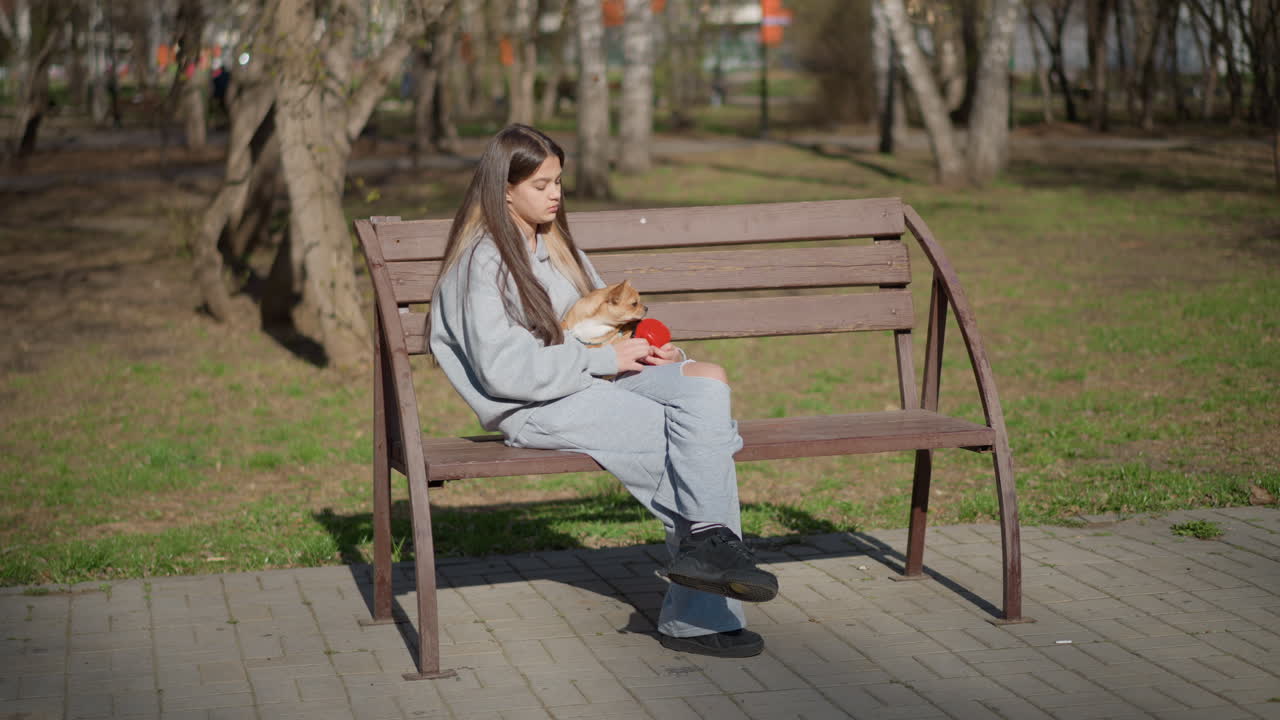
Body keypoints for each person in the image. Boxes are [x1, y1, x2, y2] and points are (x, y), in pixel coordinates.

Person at [428, 124, 779, 658]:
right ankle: (699, 614)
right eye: (542, 184)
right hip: (536, 405)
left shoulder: (556, 245)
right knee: (692, 442)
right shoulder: (482, 261)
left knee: (705, 388)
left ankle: (707, 549)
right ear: (504, 189)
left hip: (592, 378)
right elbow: (504, 371)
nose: (556, 194)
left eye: (558, 181)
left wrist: (651, 351)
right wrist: (602, 360)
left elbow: (602, 326)